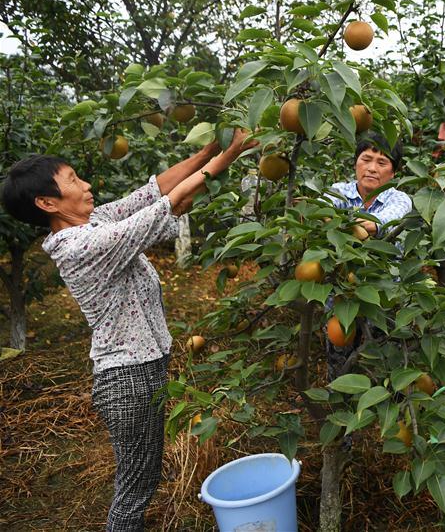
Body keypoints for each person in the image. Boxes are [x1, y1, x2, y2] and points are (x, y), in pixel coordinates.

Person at [1, 130, 255, 531]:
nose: (86, 185)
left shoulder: (93, 222)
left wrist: (210, 149)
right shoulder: (81, 246)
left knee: (142, 478)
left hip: (144, 368)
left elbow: (154, 190)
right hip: (127, 378)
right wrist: (233, 152)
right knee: (135, 488)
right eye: (72, 181)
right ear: (47, 202)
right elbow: (167, 205)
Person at [322, 132, 412, 379]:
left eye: (382, 163)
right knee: (339, 361)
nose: (372, 168)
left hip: (381, 300)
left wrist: (343, 225)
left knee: (381, 363)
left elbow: (384, 220)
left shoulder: (399, 198)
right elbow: (321, 210)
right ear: (355, 163)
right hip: (340, 299)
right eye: (366, 159)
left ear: (393, 172)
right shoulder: (340, 191)